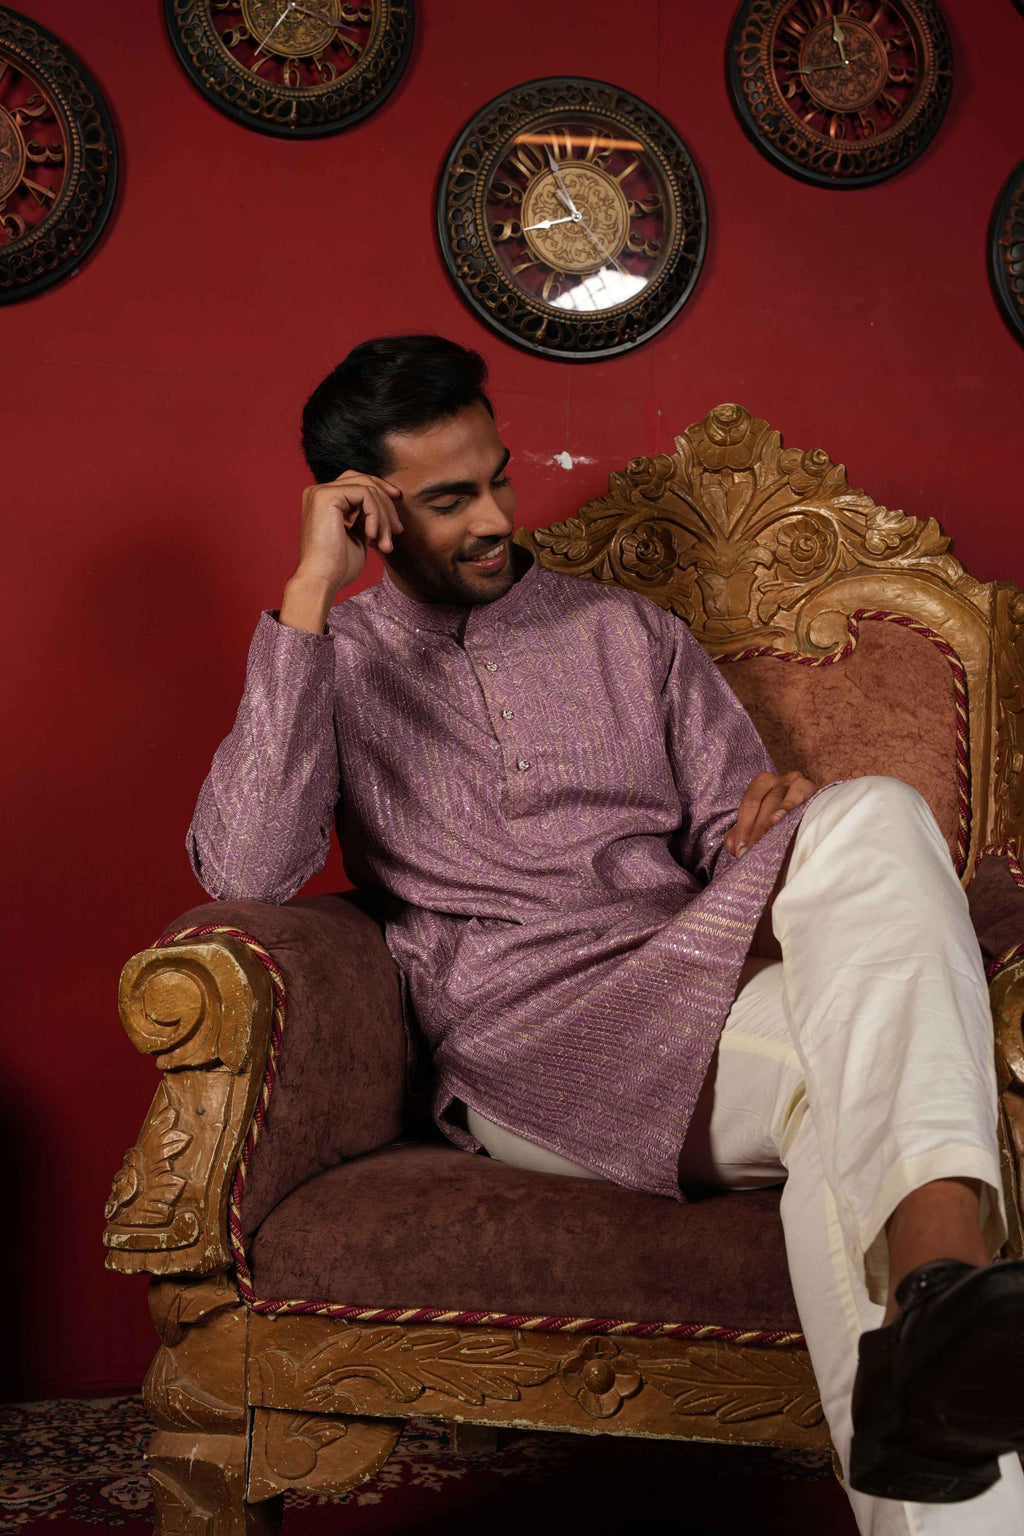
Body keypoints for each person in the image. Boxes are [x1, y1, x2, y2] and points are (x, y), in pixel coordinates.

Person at [189, 334, 1024, 1535]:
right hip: (529, 1053)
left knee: (874, 821)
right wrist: (309, 594)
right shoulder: (337, 662)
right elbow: (249, 867)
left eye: (496, 479)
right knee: (853, 1088)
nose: (491, 518)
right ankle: (952, 1281)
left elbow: (727, 852)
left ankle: (938, 1292)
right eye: (446, 499)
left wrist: (772, 830)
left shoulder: (625, 633)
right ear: (363, 509)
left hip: (696, 987)